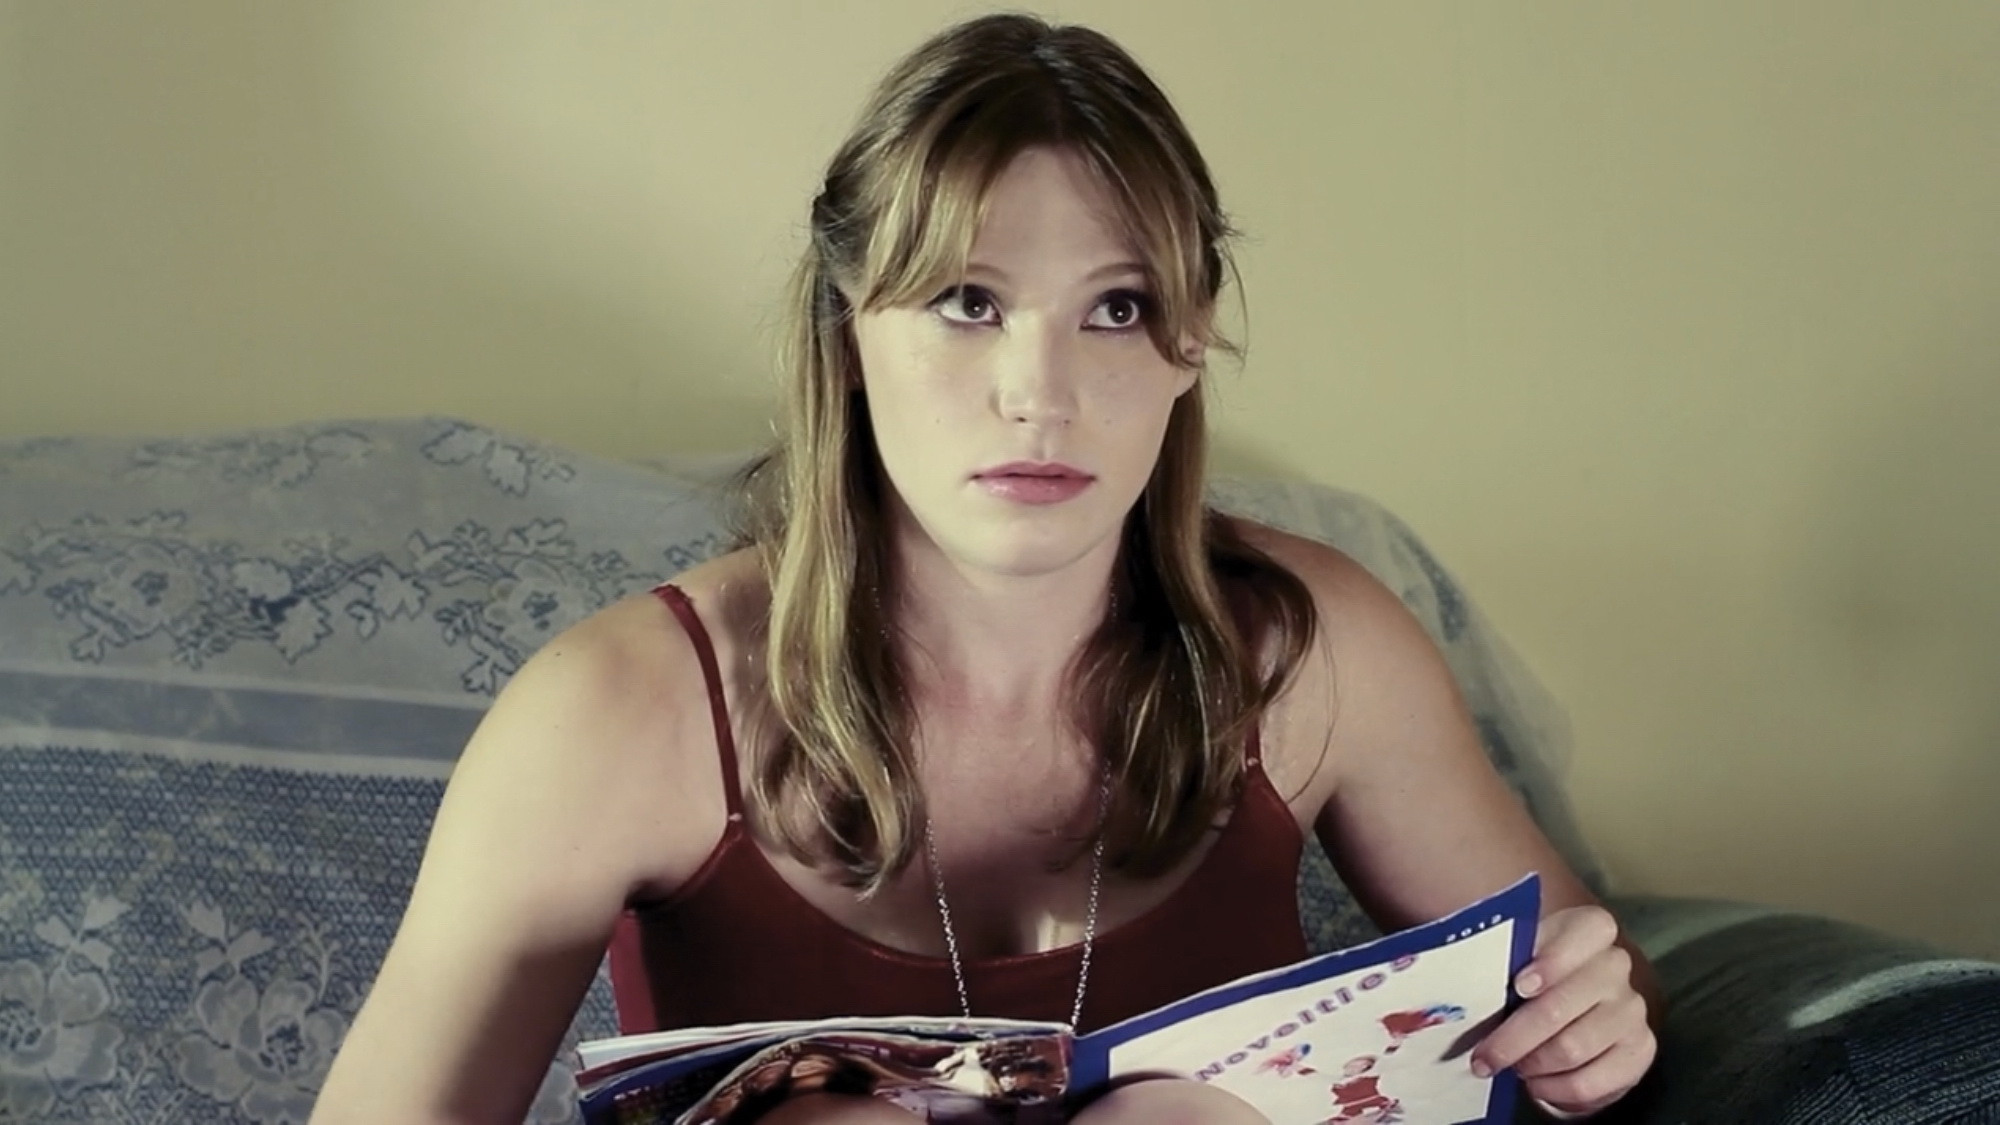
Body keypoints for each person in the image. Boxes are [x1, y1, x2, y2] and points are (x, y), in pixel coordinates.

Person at [309, 14, 1661, 1124]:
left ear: (1189, 344)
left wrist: (1587, 1034)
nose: (1040, 395)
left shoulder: (1316, 654)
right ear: (849, 331)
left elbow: (1594, 999)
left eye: (1116, 308)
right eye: (969, 302)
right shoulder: (618, 712)